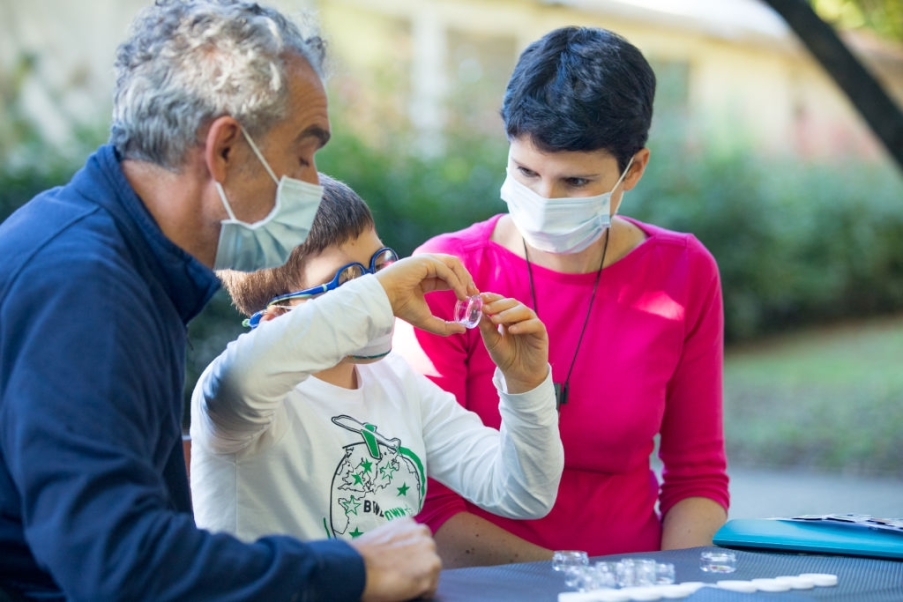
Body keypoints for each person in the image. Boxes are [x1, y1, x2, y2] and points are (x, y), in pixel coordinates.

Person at [0, 2, 462, 600]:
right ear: (224, 150)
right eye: (303, 153)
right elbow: (116, 561)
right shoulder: (87, 290)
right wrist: (354, 570)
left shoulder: (115, 256)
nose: (313, 180)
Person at [395, 26, 730, 567]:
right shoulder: (446, 276)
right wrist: (574, 581)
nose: (543, 199)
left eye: (575, 182)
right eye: (526, 171)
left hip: (638, 582)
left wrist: (676, 583)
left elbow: (696, 476)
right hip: (485, 582)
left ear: (634, 169)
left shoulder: (684, 272)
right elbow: (424, 500)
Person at [189, 174, 563, 545]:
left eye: (381, 264)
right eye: (350, 280)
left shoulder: (395, 379)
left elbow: (522, 493)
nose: (384, 292)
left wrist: (525, 385)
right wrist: (379, 292)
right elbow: (239, 382)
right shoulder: (243, 401)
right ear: (277, 318)